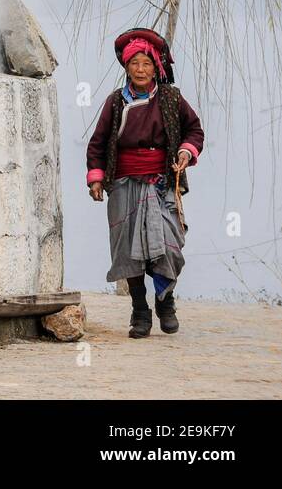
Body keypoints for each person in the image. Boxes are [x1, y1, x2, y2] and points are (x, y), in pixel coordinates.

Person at [87, 29, 204, 337]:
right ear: (126, 67)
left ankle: (165, 302)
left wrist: (185, 151)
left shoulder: (170, 98)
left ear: (156, 68)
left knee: (168, 245)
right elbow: (98, 143)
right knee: (128, 250)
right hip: (123, 183)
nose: (140, 70)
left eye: (146, 64)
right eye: (134, 63)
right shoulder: (115, 102)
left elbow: (194, 130)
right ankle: (140, 311)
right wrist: (96, 178)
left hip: (161, 183)